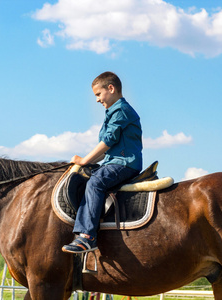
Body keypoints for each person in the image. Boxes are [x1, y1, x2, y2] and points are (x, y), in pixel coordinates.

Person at [62, 71, 143, 254]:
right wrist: (85, 163)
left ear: (111, 88)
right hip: (114, 161)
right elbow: (106, 150)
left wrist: (84, 160)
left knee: (96, 183)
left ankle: (88, 237)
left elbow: (107, 142)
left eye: (98, 94)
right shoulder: (112, 111)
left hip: (124, 163)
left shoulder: (121, 110)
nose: (97, 100)